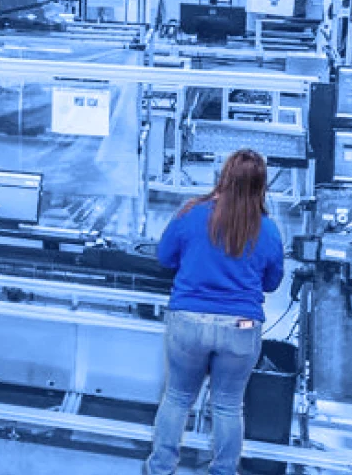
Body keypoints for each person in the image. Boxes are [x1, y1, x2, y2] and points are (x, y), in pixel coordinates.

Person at [146, 149, 285, 475]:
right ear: (261, 186)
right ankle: (223, 471)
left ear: (223, 176)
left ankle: (160, 468)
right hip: (241, 326)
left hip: (188, 321)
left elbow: (164, 257)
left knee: (177, 398)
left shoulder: (191, 213)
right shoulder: (268, 229)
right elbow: (272, 283)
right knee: (228, 405)